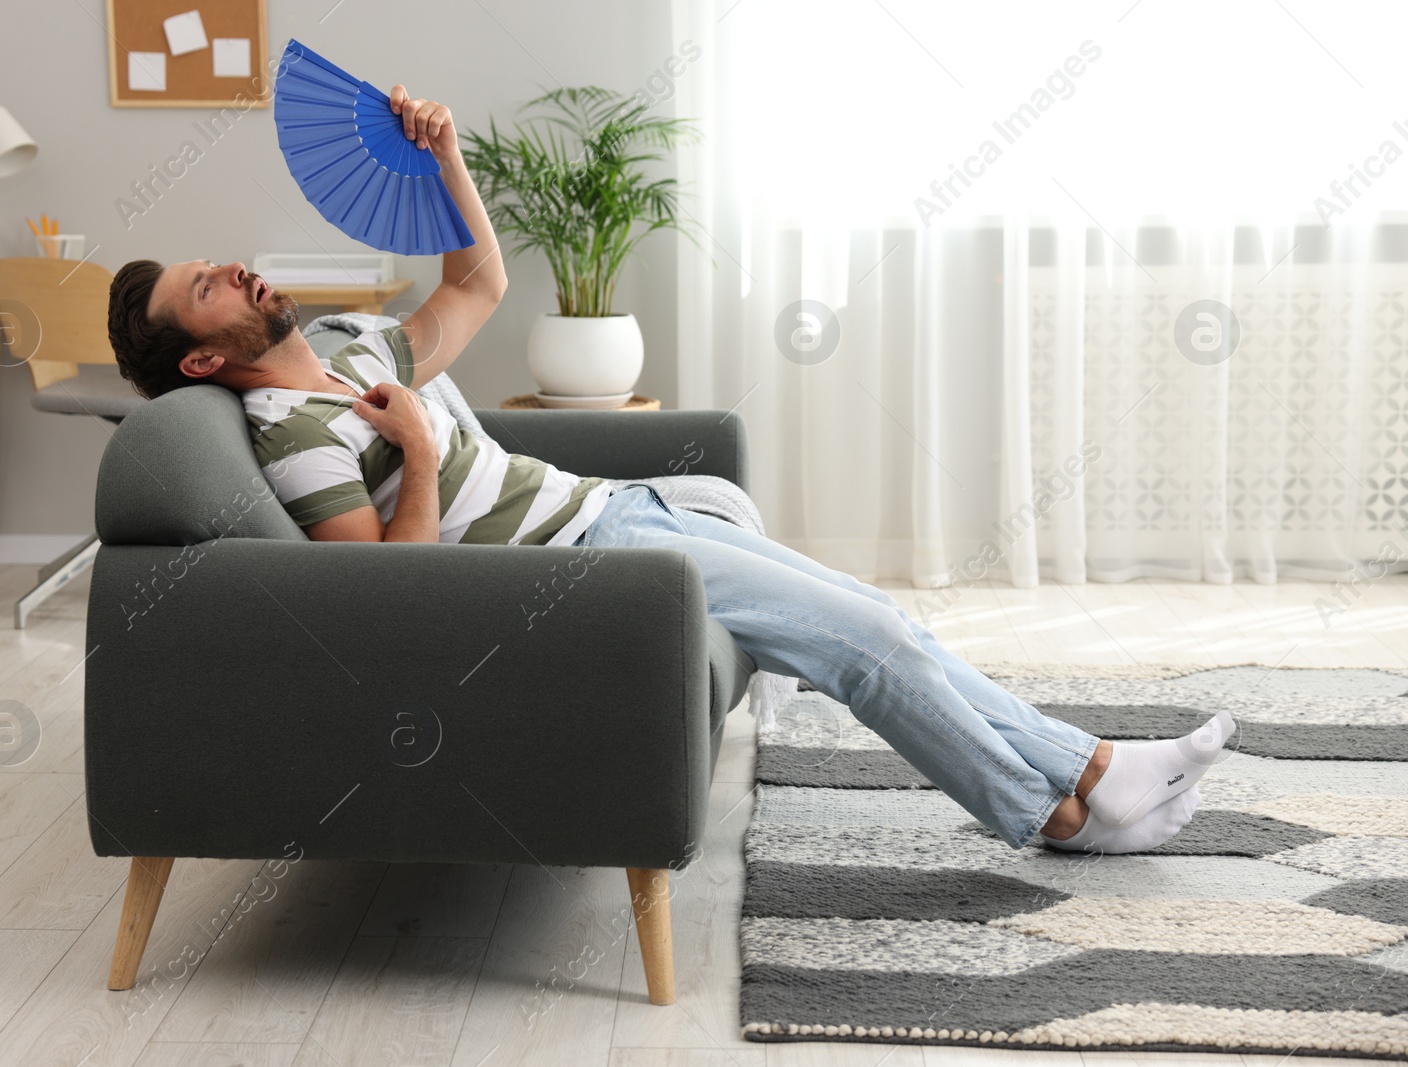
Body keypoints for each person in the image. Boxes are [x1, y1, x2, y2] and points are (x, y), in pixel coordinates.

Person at [106, 83, 1236, 854]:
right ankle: (1055, 814)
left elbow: (476, 286)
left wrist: (443, 153)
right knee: (867, 644)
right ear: (204, 355)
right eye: (209, 287)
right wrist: (416, 453)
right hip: (580, 568)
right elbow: (375, 604)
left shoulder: (355, 339)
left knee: (878, 612)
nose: (238, 271)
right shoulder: (295, 442)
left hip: (611, 514)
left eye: (218, 264)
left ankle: (1092, 774)